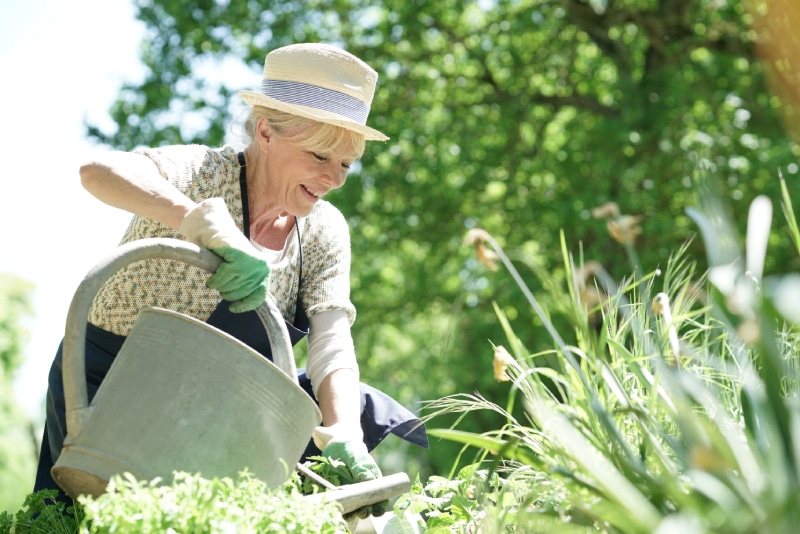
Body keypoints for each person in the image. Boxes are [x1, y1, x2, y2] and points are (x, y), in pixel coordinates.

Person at [34, 42, 428, 518]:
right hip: (110, 393)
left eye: (345, 164)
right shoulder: (201, 173)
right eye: (320, 156)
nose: (335, 178)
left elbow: (332, 340)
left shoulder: (324, 231)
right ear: (265, 131)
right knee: (83, 522)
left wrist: (343, 430)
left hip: (215, 411)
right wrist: (197, 220)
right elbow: (98, 172)